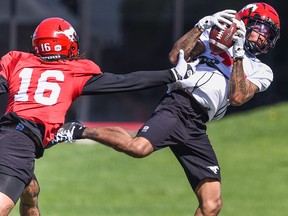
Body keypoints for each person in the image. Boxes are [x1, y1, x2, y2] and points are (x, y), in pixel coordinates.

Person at [53, 3, 280, 216]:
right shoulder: (213, 44)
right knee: (138, 147)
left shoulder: (262, 70)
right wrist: (201, 27)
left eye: (267, 35)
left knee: (212, 204)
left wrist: (238, 53)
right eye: (260, 30)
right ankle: (79, 130)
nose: (263, 38)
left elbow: (238, 96)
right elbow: (175, 55)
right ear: (244, 23)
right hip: (179, 104)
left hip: (198, 123)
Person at [0, 17, 190, 215]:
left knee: (31, 191)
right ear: (68, 44)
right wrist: (173, 75)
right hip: (21, 141)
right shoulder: (75, 71)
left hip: (9, 136)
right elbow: (125, 81)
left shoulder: (16, 60)